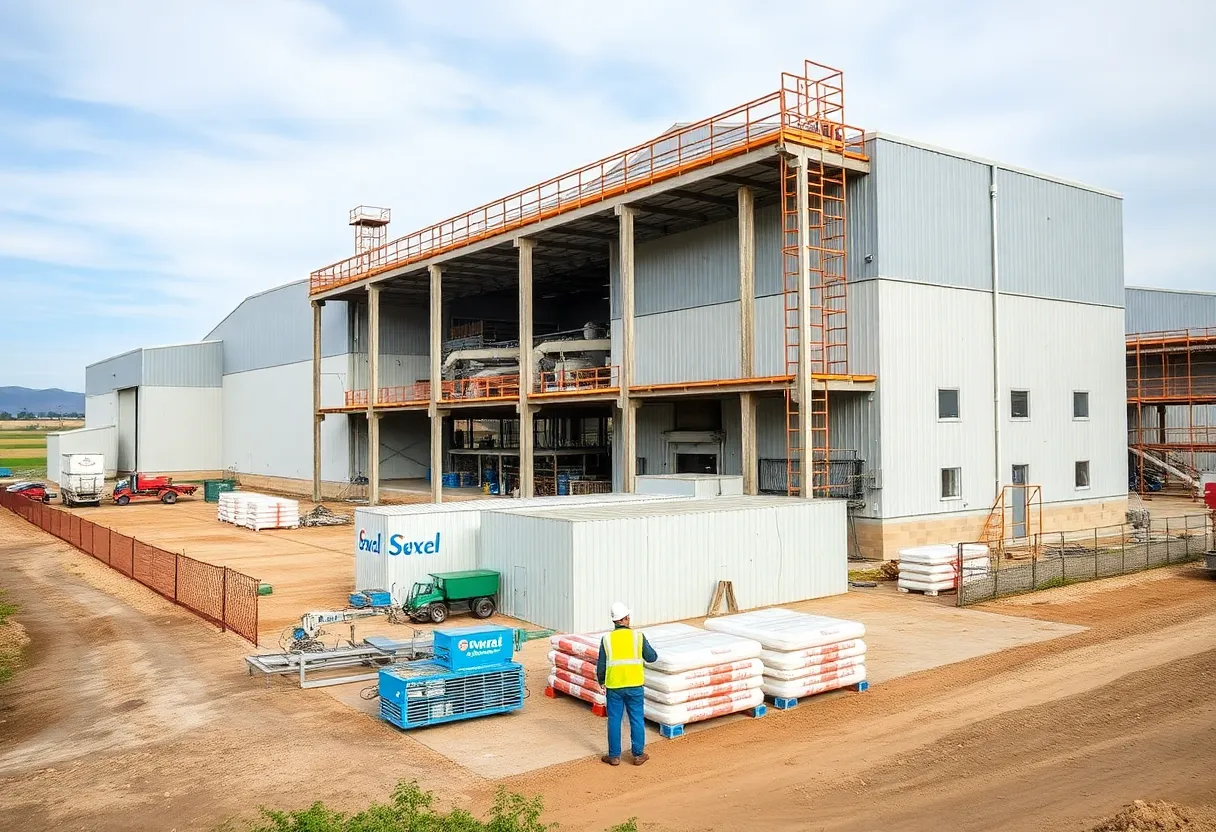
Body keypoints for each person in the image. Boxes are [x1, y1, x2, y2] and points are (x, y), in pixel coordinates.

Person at [596, 601, 657, 766]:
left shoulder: (607, 639)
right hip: (635, 685)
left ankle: (614, 756)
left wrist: (601, 681)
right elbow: (651, 657)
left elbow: (601, 664)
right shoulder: (638, 636)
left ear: (614, 621)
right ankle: (638, 755)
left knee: (614, 720)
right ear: (626, 618)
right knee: (636, 719)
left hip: (614, 686)